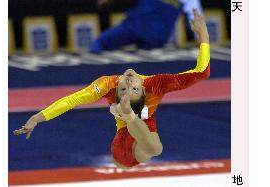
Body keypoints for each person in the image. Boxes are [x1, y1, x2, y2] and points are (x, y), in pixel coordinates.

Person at [14, 9, 210, 169]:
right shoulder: (155, 84)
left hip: (139, 139)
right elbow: (201, 72)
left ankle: (129, 116)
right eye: (129, 89)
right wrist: (204, 38)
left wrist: (37, 118)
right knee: (155, 148)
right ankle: (128, 116)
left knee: (154, 147)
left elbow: (73, 100)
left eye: (124, 88)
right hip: (125, 146)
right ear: (142, 91)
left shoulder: (111, 84)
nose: (128, 82)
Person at [90, 0, 203, 53]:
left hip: (147, 32)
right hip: (147, 32)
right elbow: (195, 17)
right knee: (101, 42)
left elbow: (195, 16)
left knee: (101, 42)